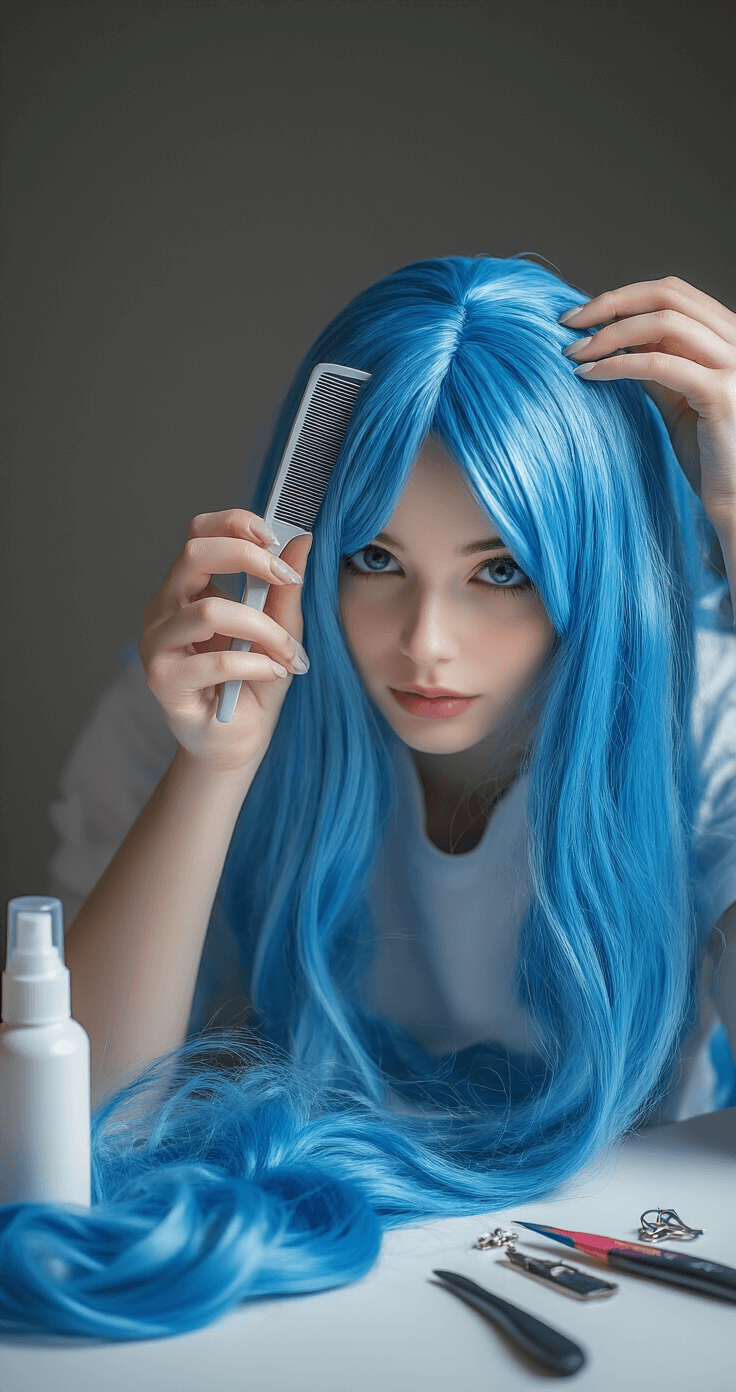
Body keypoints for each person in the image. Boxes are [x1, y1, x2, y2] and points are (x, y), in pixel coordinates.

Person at [14, 254, 736, 1339]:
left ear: (598, 571)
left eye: (500, 571)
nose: (425, 646)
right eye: (373, 558)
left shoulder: (705, 723)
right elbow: (73, 1140)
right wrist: (212, 772)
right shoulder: (181, 714)